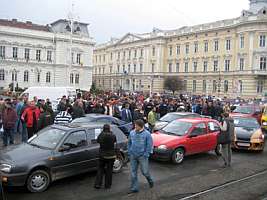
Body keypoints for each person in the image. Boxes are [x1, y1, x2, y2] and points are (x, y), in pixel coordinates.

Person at [128, 119, 154, 194]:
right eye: (134, 125)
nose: (134, 126)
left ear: (140, 126)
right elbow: (129, 142)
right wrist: (130, 151)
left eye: (136, 125)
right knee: (133, 173)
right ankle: (134, 188)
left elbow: (149, 145)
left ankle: (150, 180)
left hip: (142, 156)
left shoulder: (147, 134)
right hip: (133, 155)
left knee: (145, 172)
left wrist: (146, 154)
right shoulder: (132, 132)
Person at [94, 124, 117, 189]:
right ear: (109, 128)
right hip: (111, 155)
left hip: (103, 155)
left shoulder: (101, 135)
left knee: (100, 169)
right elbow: (115, 141)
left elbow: (98, 141)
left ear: (103, 128)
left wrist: (101, 132)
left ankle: (98, 184)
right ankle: (108, 185)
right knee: (109, 171)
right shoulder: (113, 135)